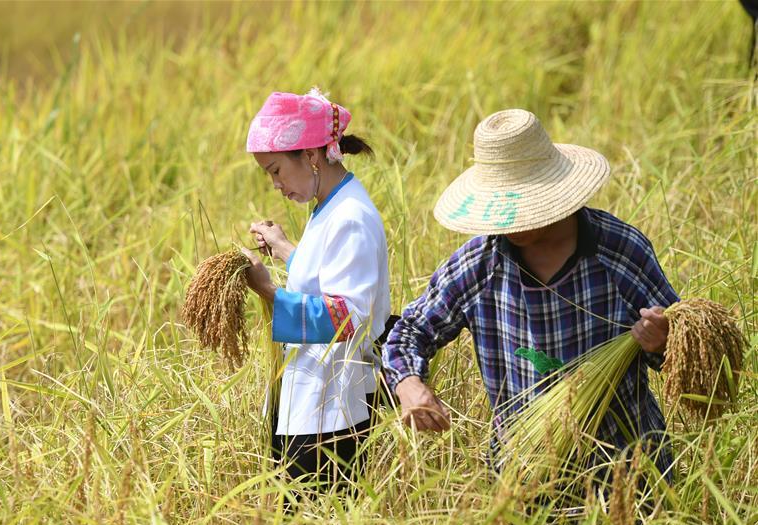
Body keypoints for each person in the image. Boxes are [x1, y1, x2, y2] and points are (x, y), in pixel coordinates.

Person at [383, 108, 677, 487]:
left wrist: (660, 341)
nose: (513, 224)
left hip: (628, 464)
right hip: (527, 470)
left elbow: (682, 346)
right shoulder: (480, 265)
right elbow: (409, 331)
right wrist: (409, 384)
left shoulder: (618, 250)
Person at [240, 89, 390, 493]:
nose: (275, 184)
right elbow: (328, 277)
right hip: (310, 400)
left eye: (275, 170)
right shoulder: (330, 206)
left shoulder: (350, 218)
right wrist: (285, 248)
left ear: (309, 156)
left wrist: (268, 289)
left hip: (331, 414)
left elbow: (348, 317)